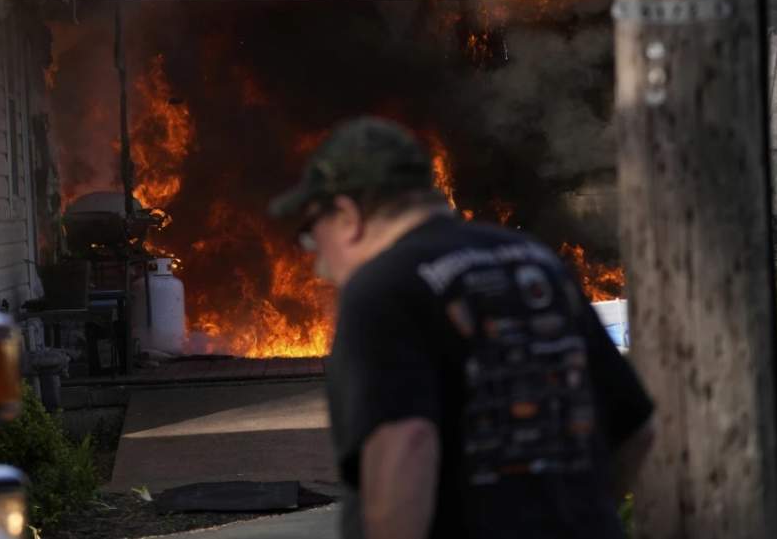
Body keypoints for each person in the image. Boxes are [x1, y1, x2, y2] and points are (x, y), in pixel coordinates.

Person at [270, 117, 655, 539]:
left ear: (347, 214)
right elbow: (635, 431)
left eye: (310, 234)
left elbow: (408, 442)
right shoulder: (535, 263)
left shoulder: (383, 288)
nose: (318, 262)